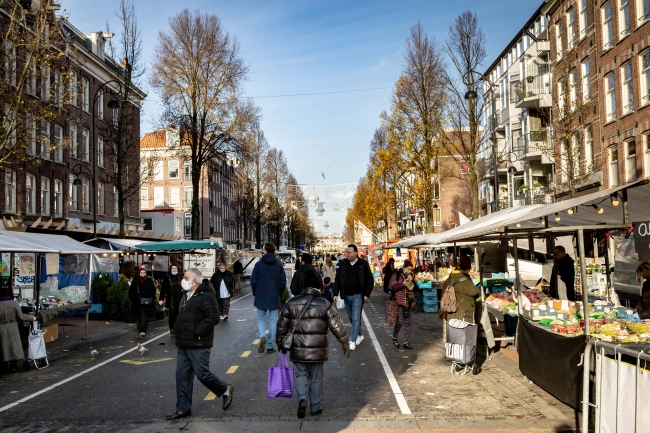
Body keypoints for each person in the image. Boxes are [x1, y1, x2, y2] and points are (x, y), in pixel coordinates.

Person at [165, 268, 233, 420]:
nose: (183, 279)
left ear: (194, 281)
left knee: (202, 374)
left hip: (198, 343)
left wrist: (197, 331)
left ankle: (225, 389)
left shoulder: (206, 296)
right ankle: (183, 409)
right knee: (182, 376)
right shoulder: (185, 295)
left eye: (186, 277)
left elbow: (214, 317)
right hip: (183, 343)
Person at [276, 286, 350, 418]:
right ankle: (315, 407)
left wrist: (279, 342)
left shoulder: (291, 303)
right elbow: (336, 324)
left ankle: (302, 400)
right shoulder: (324, 304)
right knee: (316, 379)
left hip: (297, 349)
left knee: (300, 375)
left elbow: (282, 325)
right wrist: (344, 341)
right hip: (318, 350)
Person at [333, 244, 374, 351]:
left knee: (356, 319)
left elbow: (370, 279)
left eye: (349, 252)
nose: (347, 254)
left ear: (356, 253)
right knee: (351, 318)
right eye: (346, 252)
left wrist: (366, 294)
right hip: (345, 295)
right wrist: (335, 293)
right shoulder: (343, 264)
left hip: (358, 296)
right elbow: (338, 279)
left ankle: (352, 340)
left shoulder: (363, 264)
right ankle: (359, 334)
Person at [251, 243, 286, 354]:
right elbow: (283, 282)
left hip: (261, 296)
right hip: (274, 296)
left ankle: (262, 336)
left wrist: (256, 292)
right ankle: (270, 345)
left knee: (261, 318)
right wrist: (278, 293)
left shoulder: (258, 265)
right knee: (273, 321)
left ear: (265, 250)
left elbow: (253, 281)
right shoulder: (279, 266)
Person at [0, 287, 36, 373]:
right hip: (13, 327)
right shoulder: (15, 304)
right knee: (14, 347)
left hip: (1, 328)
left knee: (3, 348)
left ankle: (4, 368)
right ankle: (14, 367)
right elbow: (21, 317)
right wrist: (32, 318)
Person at [389, 260, 415, 350]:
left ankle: (406, 342)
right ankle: (394, 336)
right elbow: (391, 287)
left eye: (411, 270)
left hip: (408, 302)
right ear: (404, 269)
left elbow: (415, 288)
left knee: (408, 323)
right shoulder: (396, 275)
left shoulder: (411, 276)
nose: (410, 271)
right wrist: (402, 284)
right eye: (408, 269)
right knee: (399, 321)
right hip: (398, 302)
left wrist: (412, 283)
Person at [445, 257, 480, 322]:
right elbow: (474, 291)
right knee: (463, 330)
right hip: (463, 311)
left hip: (452, 309)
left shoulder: (452, 276)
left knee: (454, 329)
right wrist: (479, 287)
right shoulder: (463, 278)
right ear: (467, 268)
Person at [129, 267, 156, 338]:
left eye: (144, 273)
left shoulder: (149, 280)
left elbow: (153, 290)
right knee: (138, 316)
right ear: (139, 273)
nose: (143, 274)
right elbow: (131, 290)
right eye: (141, 273)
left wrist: (152, 298)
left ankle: (143, 330)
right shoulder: (136, 280)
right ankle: (140, 329)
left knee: (144, 316)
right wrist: (133, 298)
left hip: (146, 301)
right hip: (137, 302)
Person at [160, 265, 184, 334]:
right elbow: (163, 289)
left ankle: (177, 327)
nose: (174, 270)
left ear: (178, 269)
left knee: (179, 314)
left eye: (176, 268)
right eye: (173, 268)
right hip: (171, 300)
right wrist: (161, 299)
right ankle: (172, 327)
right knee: (172, 314)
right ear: (170, 269)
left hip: (180, 299)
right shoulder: (167, 278)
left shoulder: (181, 278)